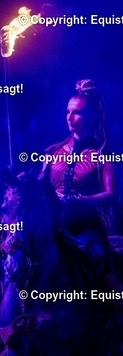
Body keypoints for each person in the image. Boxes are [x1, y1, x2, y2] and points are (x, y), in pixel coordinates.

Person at [40, 79, 120, 291]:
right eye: (67, 112)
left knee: (101, 266)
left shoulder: (102, 154)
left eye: (77, 113)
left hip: (85, 228)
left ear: (92, 116)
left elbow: (113, 195)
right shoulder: (52, 152)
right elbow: (40, 187)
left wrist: (80, 200)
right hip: (53, 226)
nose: (69, 117)